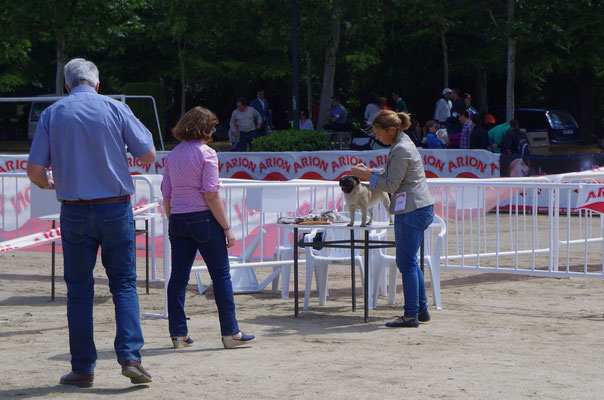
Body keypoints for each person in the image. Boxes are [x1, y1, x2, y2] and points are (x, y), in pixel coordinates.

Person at [27, 58, 156, 387]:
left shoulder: (52, 113)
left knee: (79, 292)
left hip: (74, 210)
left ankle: (83, 368)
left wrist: (50, 185)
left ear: (66, 86)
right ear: (98, 84)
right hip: (115, 207)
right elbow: (148, 156)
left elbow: (35, 171)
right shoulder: (116, 108)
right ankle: (131, 357)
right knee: (124, 285)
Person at [161, 106, 255, 350]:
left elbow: (167, 194)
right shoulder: (207, 154)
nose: (214, 131)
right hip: (203, 219)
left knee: (178, 278)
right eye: (212, 127)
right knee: (221, 276)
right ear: (205, 128)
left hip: (179, 219)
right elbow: (211, 194)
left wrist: (174, 219)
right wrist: (227, 227)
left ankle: (178, 334)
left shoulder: (171, 156)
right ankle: (230, 332)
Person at [351, 110, 434, 328]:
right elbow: (392, 173)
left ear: (390, 130)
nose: (376, 137)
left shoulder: (400, 149)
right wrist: (371, 171)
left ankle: (410, 315)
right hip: (417, 208)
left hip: (411, 209)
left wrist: (367, 176)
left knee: (405, 263)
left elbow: (390, 185)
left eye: (378, 133)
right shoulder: (402, 144)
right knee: (410, 262)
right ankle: (420, 310)